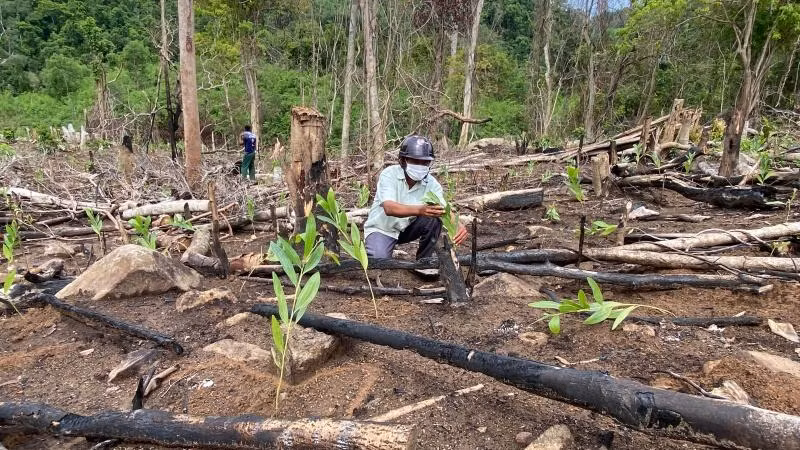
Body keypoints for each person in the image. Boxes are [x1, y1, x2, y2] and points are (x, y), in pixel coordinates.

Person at [364, 135, 468, 260]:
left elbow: (442, 209)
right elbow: (389, 208)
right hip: (382, 230)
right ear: (402, 160)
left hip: (407, 229)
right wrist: (420, 210)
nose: (420, 166)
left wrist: (457, 225)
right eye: (415, 161)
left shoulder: (431, 183)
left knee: (433, 218)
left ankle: (425, 261)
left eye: (425, 162)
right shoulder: (389, 174)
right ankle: (376, 246)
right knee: (379, 260)